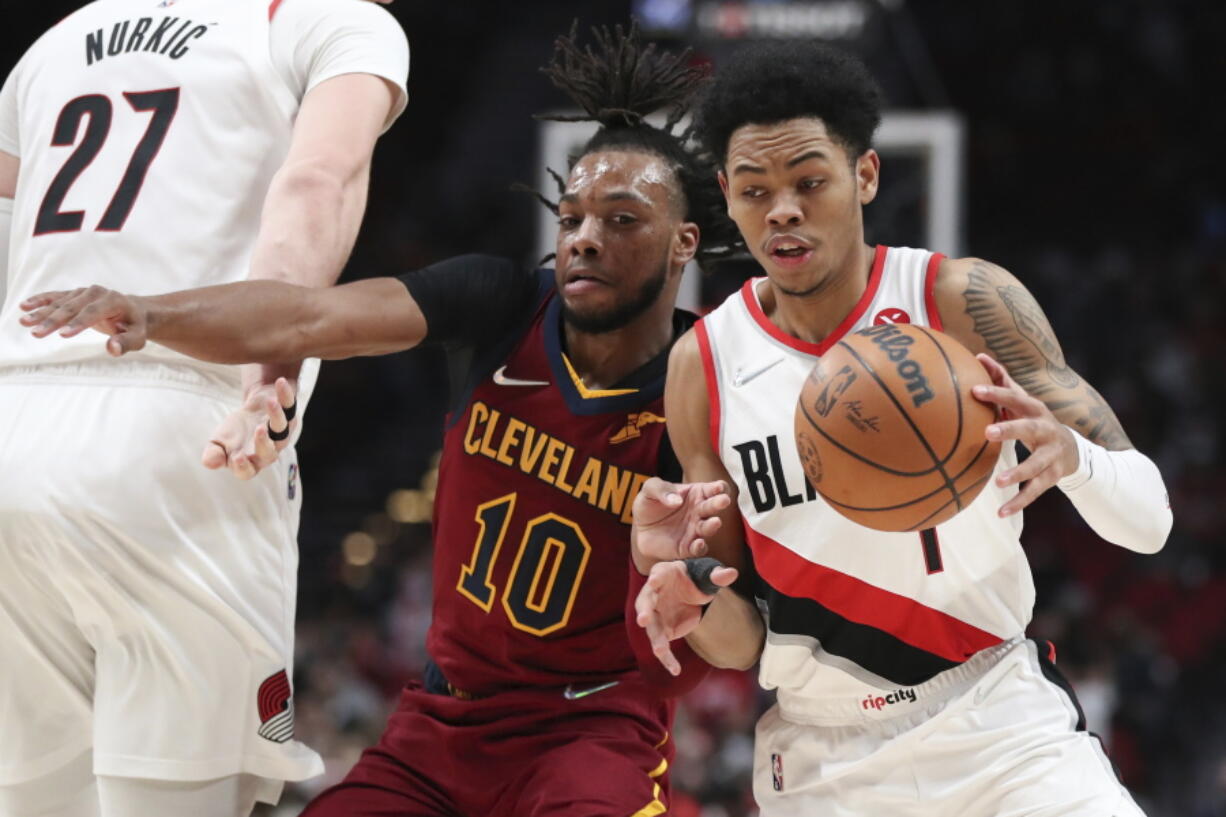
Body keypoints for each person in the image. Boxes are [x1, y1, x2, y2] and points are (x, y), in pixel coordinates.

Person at [19, 23, 743, 817]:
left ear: (685, 244)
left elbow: (707, 643)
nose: (584, 240)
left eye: (621, 220)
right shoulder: (500, 301)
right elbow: (304, 318)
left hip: (592, 731)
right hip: (443, 722)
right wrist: (151, 311)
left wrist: (684, 593)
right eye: (570, 219)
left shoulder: (708, 380)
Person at [628, 41, 1174, 817]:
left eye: (809, 181)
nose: (781, 208)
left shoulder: (961, 299)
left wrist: (1073, 455)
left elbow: (1151, 520)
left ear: (867, 175)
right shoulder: (704, 364)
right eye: (754, 190)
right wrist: (687, 585)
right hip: (823, 763)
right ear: (726, 194)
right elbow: (741, 638)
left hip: (1003, 728)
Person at [0, 0, 408, 815]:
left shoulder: (54, 44)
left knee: (36, 800)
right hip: (184, 431)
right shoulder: (334, 22)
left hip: (15, 430)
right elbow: (316, 181)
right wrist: (270, 371)